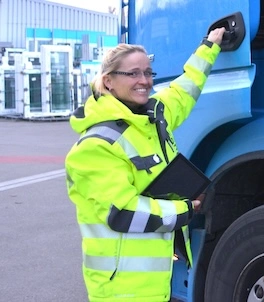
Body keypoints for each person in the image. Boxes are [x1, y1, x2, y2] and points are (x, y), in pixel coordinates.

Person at [65, 27, 225, 302]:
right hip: (122, 290)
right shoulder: (94, 147)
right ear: (108, 81)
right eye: (133, 73)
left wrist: (209, 47)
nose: (145, 81)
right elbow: (123, 211)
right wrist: (186, 208)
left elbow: (184, 89)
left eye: (148, 72)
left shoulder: (152, 118)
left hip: (157, 280)